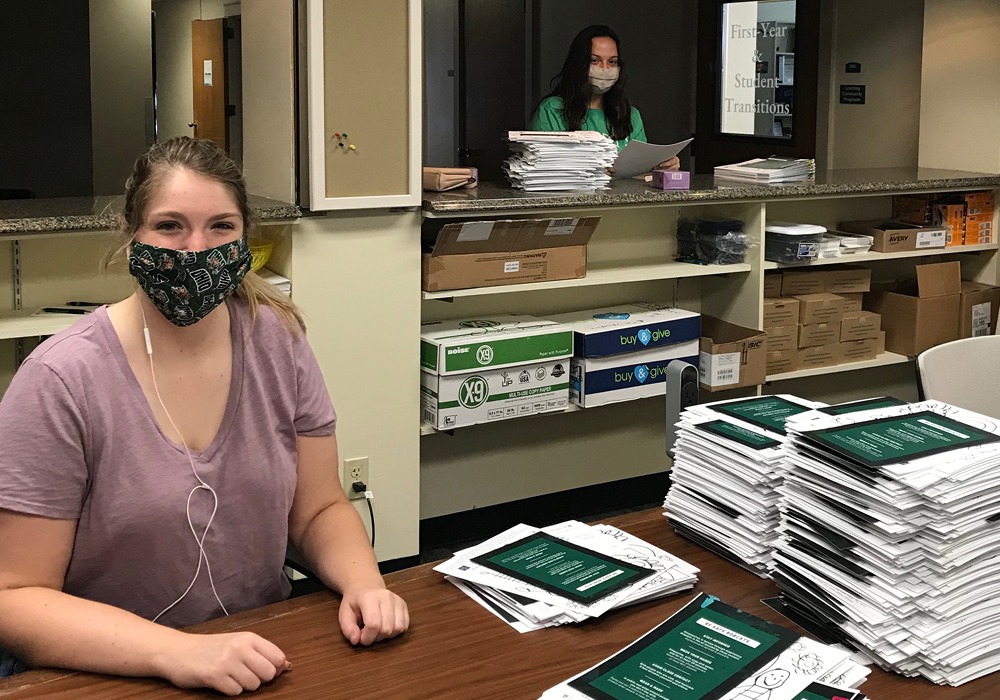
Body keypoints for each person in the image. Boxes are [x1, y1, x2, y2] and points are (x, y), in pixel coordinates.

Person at [0, 137, 409, 694]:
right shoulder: (60, 380)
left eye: (221, 227)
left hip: (258, 657)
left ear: (245, 237)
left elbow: (318, 508)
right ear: (131, 234)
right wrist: (176, 652)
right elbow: (17, 598)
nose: (196, 249)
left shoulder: (278, 342)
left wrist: (365, 584)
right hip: (107, 673)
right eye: (170, 226)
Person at [529, 25, 680, 172]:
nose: (604, 68)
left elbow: (640, 175)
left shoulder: (630, 115)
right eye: (594, 60)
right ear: (578, 64)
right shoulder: (552, 110)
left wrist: (660, 168)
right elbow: (543, 171)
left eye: (612, 62)